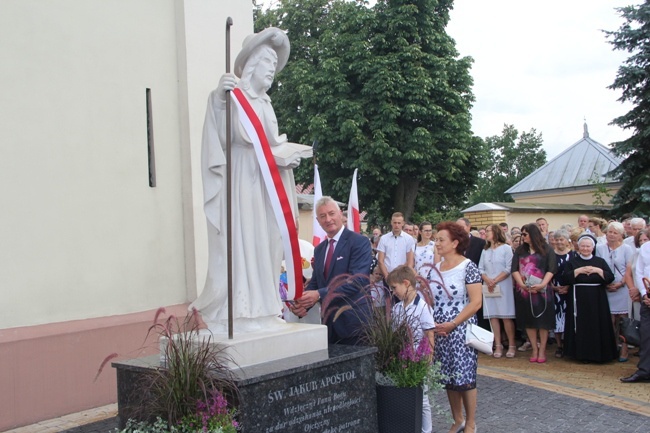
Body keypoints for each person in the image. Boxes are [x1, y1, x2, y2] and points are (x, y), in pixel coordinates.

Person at [190, 28, 303, 332]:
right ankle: (243, 311)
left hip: (267, 182)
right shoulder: (234, 98)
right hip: (243, 180)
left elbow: (270, 144)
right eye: (268, 66)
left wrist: (285, 158)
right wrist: (217, 100)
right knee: (245, 240)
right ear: (253, 65)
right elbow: (224, 137)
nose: (272, 74)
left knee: (266, 242)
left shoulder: (265, 103)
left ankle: (265, 308)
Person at [293, 197, 373, 345]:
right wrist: (303, 303)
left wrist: (318, 294)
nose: (328, 219)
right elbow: (316, 282)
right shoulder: (319, 250)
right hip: (329, 324)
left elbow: (357, 281)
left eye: (331, 213)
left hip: (355, 324)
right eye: (323, 216)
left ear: (340, 214)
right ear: (318, 220)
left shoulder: (359, 242)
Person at [429, 222, 482, 433]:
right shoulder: (435, 269)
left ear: (455, 243)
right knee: (448, 377)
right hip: (438, 330)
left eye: (441, 239)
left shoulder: (468, 266)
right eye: (436, 239)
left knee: (465, 377)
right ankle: (457, 419)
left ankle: (470, 422)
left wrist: (453, 323)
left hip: (460, 330)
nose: (437, 243)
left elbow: (476, 302)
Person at [386, 265, 435, 433]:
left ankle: (426, 430)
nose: (393, 292)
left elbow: (429, 335)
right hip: (402, 357)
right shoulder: (397, 308)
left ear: (406, 283)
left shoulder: (423, 307)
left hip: (418, 357)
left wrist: (428, 360)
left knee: (423, 398)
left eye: (394, 287)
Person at [563, 234, 618, 363]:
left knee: (598, 324)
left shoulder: (600, 261)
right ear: (579, 247)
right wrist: (579, 271)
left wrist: (598, 271)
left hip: (597, 298)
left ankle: (599, 355)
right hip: (578, 297)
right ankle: (582, 355)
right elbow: (565, 278)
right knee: (581, 326)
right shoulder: (572, 262)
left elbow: (610, 278)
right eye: (583, 246)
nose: (585, 249)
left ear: (593, 247)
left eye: (588, 246)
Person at [511, 223, 557, 363]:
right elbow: (514, 269)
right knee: (529, 321)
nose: (522, 237)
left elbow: (552, 268)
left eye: (525, 234)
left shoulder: (546, 249)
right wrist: (521, 284)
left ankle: (542, 350)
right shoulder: (520, 250)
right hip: (525, 291)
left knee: (542, 322)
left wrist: (543, 283)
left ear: (533, 234)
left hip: (542, 290)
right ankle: (534, 349)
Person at [596, 222, 635, 362]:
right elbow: (598, 266)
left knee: (623, 319)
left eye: (614, 232)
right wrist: (605, 283)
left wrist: (620, 284)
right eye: (609, 232)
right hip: (606, 287)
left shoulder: (627, 249)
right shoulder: (600, 248)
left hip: (622, 288)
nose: (610, 235)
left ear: (620, 235)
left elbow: (628, 270)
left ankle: (624, 347)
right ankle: (611, 347)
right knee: (609, 319)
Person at [478, 224, 516, 359]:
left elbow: (508, 268)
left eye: (488, 231)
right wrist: (488, 280)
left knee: (505, 316)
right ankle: (498, 344)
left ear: (495, 232)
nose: (486, 233)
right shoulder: (485, 250)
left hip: (503, 285)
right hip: (489, 286)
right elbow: (480, 268)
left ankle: (511, 344)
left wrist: (494, 280)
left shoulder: (506, 248)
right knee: (493, 316)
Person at [620, 240, 650, 382]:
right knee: (646, 337)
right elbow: (639, 272)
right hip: (647, 299)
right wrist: (644, 294)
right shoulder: (645, 247)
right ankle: (644, 371)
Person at [550, 229, 573, 358]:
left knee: (568, 316)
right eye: (557, 239)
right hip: (554, 290)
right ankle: (559, 345)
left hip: (569, 291)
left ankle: (569, 344)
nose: (559, 242)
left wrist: (568, 287)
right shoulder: (551, 255)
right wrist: (553, 287)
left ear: (567, 240)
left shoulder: (573, 255)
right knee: (557, 318)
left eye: (561, 239)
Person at [377, 212, 415, 278]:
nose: (396, 225)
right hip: (387, 274)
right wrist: (386, 276)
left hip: (402, 276)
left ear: (403, 223)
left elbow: (409, 260)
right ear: (391, 222)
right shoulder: (384, 238)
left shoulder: (409, 239)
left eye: (399, 223)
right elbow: (380, 260)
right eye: (395, 223)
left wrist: (399, 273)